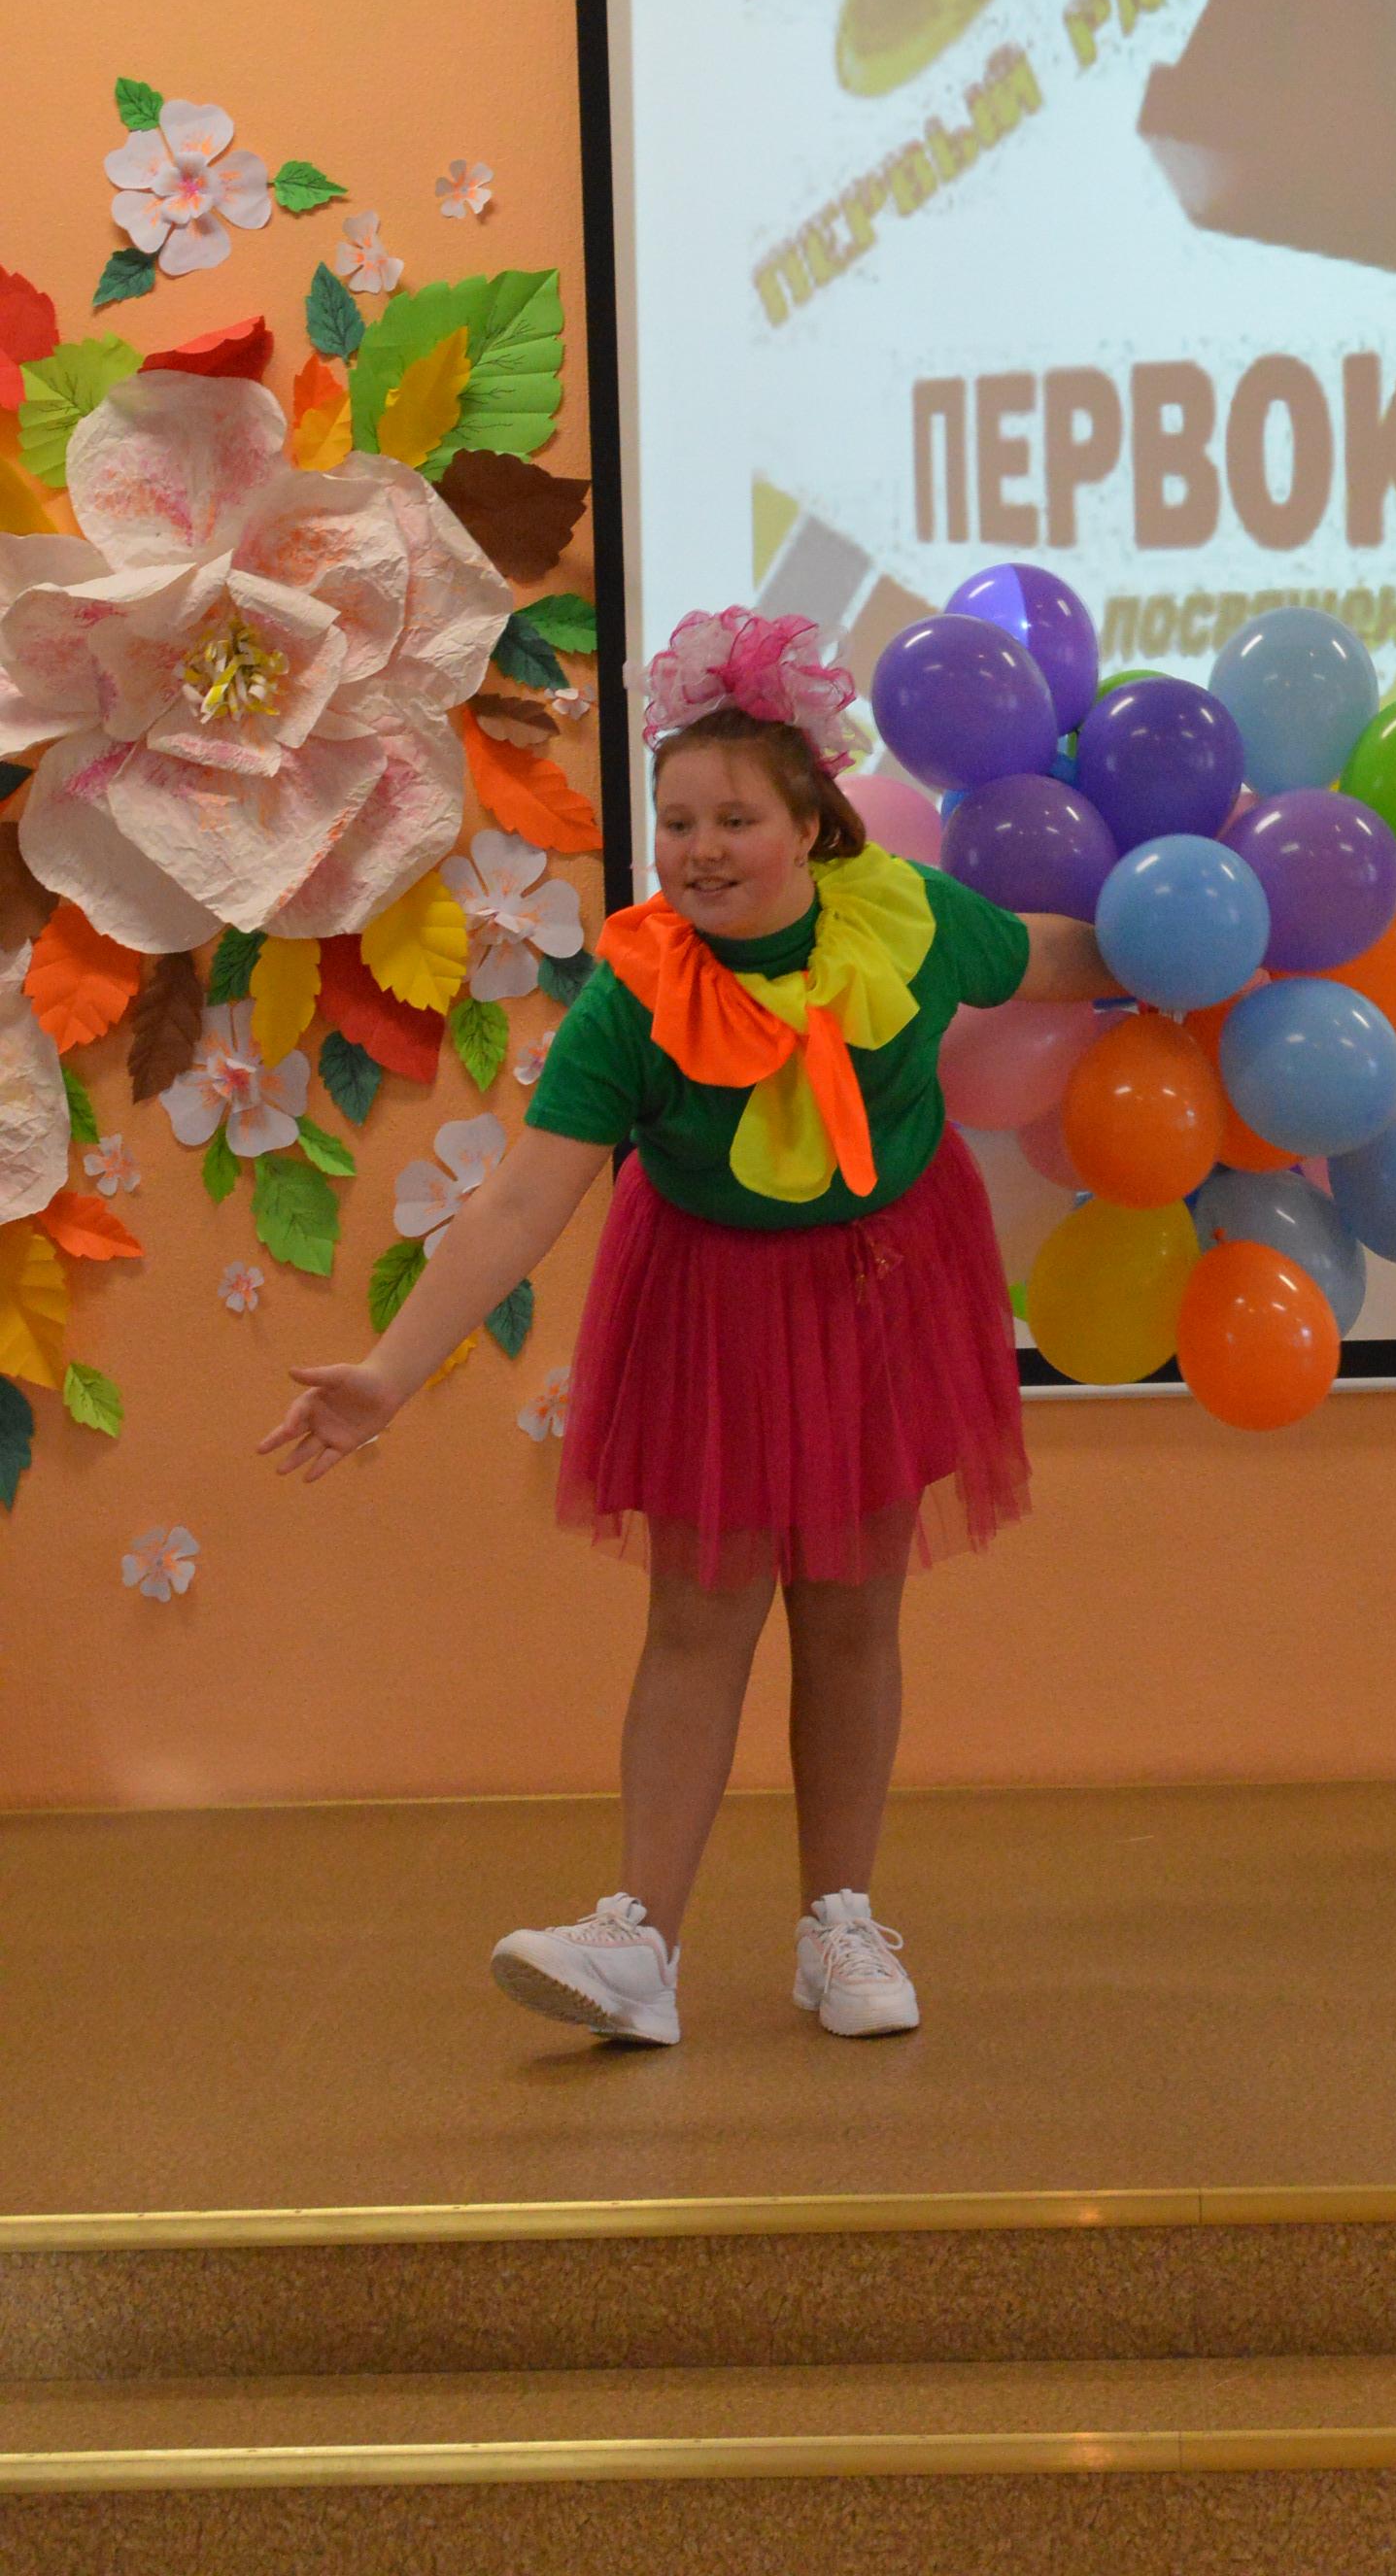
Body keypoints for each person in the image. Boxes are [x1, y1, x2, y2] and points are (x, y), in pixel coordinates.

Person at [258, 608, 1117, 2050]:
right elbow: (523, 1200)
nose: (702, 850)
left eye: (735, 820)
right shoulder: (638, 994)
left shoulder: (902, 919)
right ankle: (638, 1944)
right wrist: (389, 1374)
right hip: (711, 1303)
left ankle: (839, 1924)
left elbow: (1035, 956)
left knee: (853, 1608)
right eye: (677, 824)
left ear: (812, 827)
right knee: (700, 1612)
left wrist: (1183, 949)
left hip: (883, 1288)